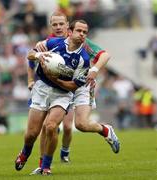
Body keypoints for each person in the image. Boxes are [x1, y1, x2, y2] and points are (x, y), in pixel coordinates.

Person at [29, 12, 120, 175]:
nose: (58, 27)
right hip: (62, 87)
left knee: (80, 125)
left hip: (82, 85)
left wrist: (94, 69)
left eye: (61, 24)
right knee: (48, 126)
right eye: (55, 24)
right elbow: (32, 57)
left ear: (67, 25)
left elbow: (105, 55)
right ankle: (43, 165)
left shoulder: (83, 40)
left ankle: (104, 130)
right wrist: (36, 60)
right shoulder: (52, 42)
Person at [15, 19, 91, 175]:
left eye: (84, 32)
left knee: (51, 127)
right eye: (79, 31)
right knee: (31, 134)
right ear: (70, 31)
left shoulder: (84, 59)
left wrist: (56, 78)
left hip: (62, 94)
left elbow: (73, 86)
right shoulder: (54, 43)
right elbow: (30, 54)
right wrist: (39, 55)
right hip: (42, 89)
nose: (82, 34)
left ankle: (46, 166)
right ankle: (24, 153)